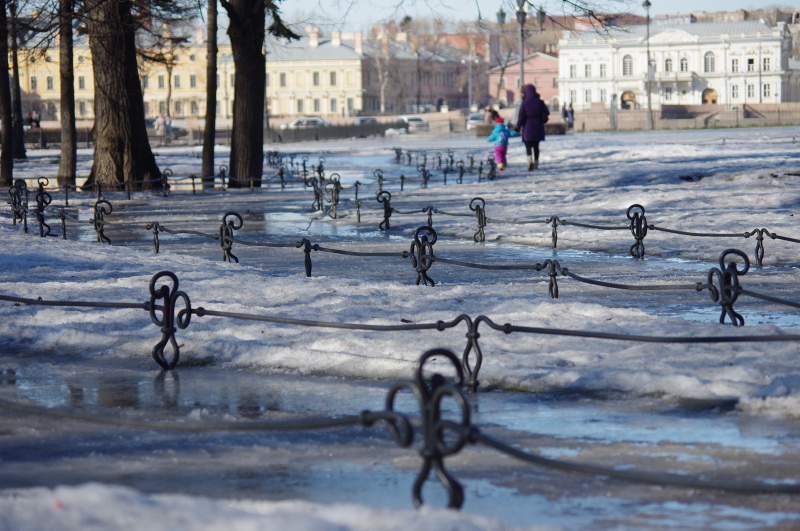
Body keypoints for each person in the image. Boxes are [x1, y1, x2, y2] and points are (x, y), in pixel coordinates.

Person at [515, 84, 550, 171]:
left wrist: (518, 126)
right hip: (538, 125)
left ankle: (529, 160)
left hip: (528, 126)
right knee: (536, 145)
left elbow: (521, 116)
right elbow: (547, 112)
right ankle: (536, 162)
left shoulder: (525, 102)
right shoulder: (539, 101)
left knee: (528, 144)